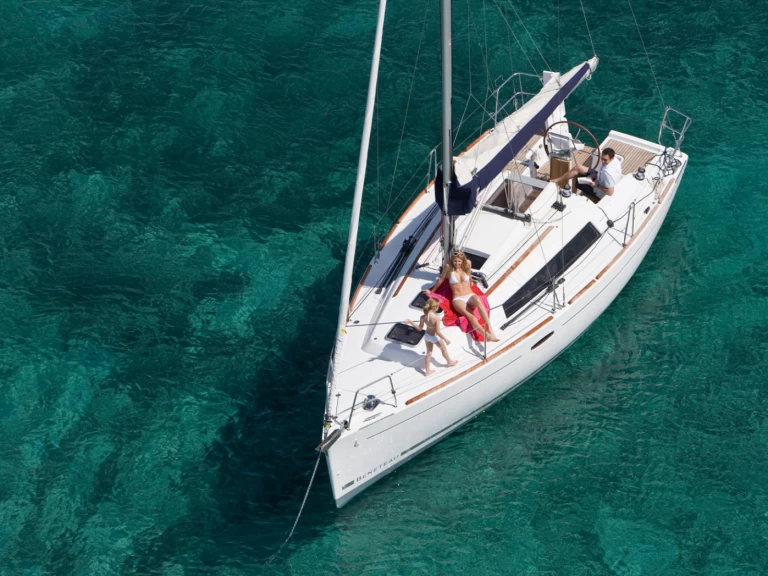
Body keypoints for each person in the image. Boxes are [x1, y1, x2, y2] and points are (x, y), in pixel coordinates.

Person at [425, 250, 499, 342]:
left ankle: (490, 330)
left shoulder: (467, 264)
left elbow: (470, 276)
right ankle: (486, 335)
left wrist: (471, 283)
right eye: (455, 261)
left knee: (478, 301)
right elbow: (441, 280)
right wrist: (431, 291)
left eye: (459, 261)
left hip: (469, 294)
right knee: (471, 316)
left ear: (462, 260)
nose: (457, 263)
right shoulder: (448, 267)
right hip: (458, 298)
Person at [405, 298, 458, 376]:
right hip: (435, 337)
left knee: (428, 353)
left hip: (427, 336)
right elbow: (438, 331)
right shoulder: (436, 318)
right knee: (443, 349)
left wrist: (410, 322)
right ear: (435, 308)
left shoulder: (423, 316)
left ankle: (427, 372)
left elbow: (419, 329)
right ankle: (450, 362)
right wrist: (445, 339)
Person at [551, 147, 622, 198]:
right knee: (578, 167)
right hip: (600, 179)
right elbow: (602, 173)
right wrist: (593, 175)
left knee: (577, 179)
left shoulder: (608, 173)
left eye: (605, 160)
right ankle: (557, 180)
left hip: (599, 191)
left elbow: (610, 192)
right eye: (602, 158)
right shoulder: (614, 161)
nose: (602, 161)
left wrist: (596, 185)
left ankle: (572, 194)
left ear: (612, 158)